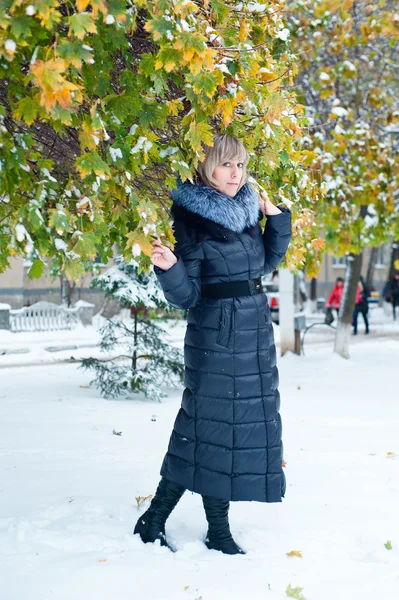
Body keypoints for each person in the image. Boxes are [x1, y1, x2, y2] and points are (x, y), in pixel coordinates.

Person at [133, 133, 292, 555]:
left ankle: (197, 528)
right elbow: (187, 296)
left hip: (254, 336)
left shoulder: (245, 212)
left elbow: (266, 264)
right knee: (205, 430)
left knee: (225, 435)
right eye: (226, 165)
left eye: (240, 165)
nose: (235, 174)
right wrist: (168, 269)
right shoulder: (189, 219)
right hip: (216, 336)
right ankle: (167, 521)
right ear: (205, 167)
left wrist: (275, 219)